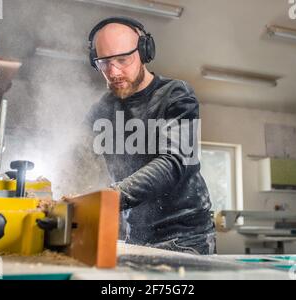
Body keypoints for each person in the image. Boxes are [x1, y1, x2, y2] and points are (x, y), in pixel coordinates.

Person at [83, 17, 215, 255]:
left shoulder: (176, 95)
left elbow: (175, 163)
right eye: (104, 63)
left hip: (184, 236)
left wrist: (111, 198)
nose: (113, 72)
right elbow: (79, 157)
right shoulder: (100, 110)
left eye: (123, 59)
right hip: (135, 237)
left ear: (145, 51)